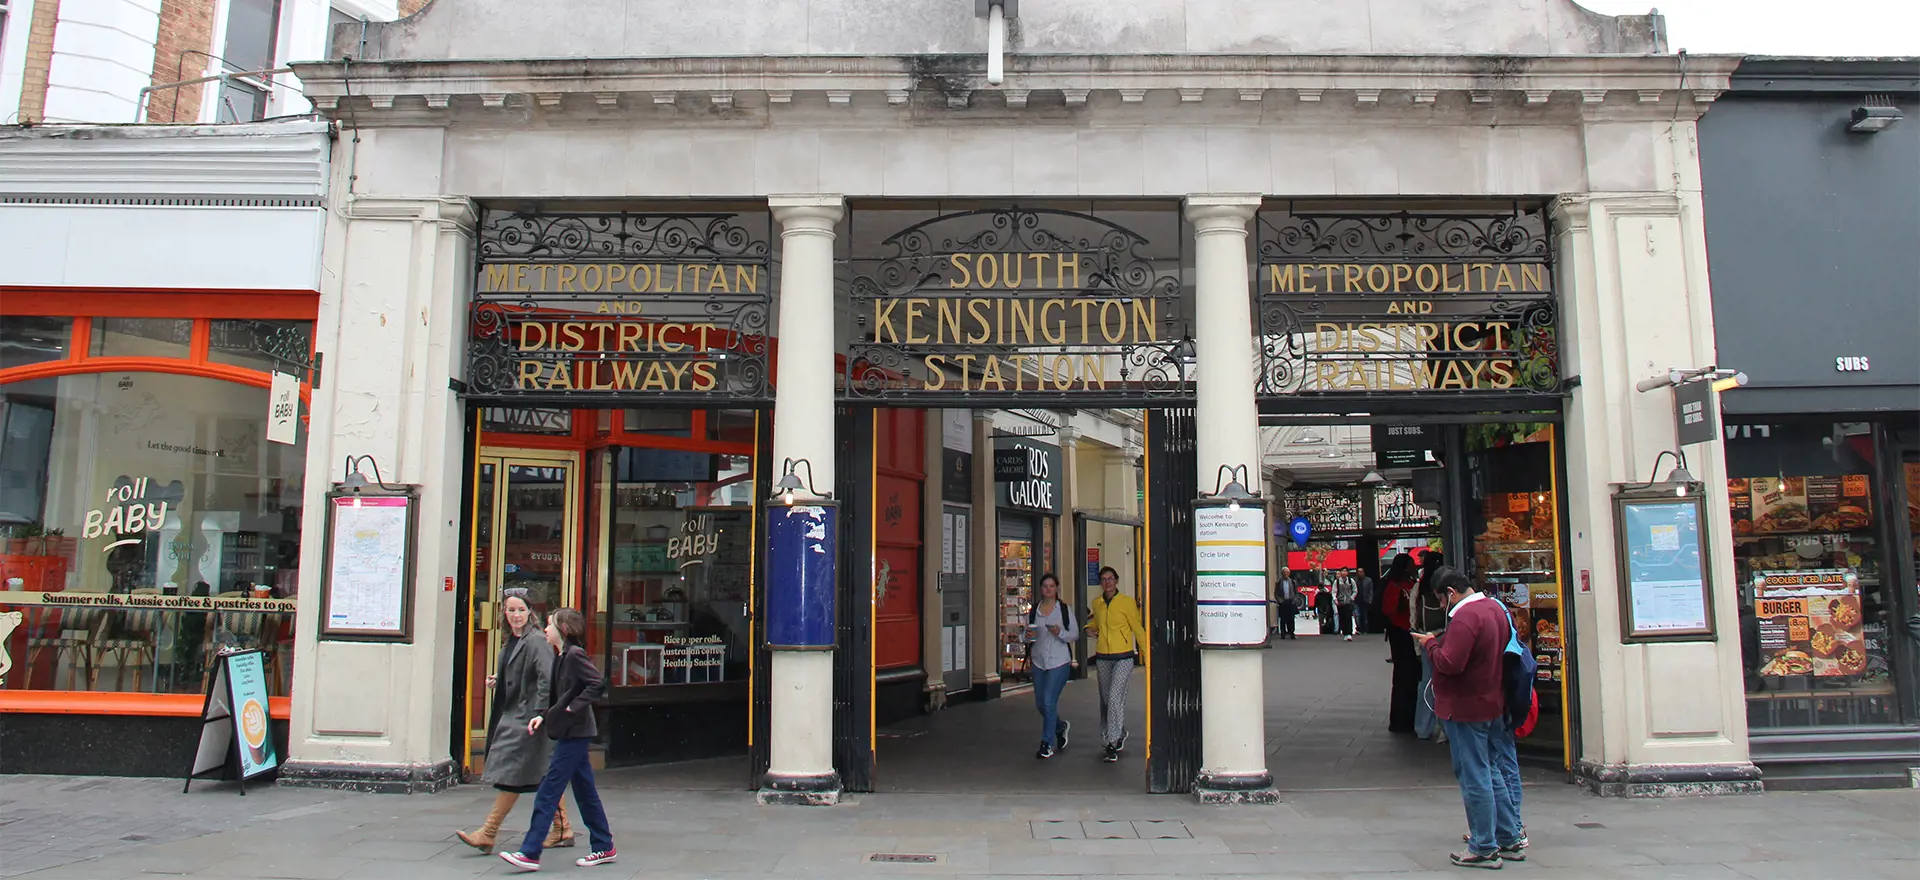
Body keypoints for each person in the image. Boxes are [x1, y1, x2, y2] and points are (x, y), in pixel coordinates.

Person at [1412, 569, 1523, 869]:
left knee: (1474, 775)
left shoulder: (1465, 617)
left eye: (1440, 599)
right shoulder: (1494, 609)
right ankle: (1509, 836)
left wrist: (1430, 645)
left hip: (1465, 706)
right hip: (1491, 702)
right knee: (1493, 771)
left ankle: (1484, 845)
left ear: (1450, 592)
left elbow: (1450, 663)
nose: (1442, 606)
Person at [498, 609, 618, 872]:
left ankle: (530, 852)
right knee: (585, 792)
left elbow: (597, 684)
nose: (545, 629)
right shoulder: (561, 656)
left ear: (563, 629)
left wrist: (572, 708)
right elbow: (556, 695)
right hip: (571, 731)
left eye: (549, 625)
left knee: (549, 790)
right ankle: (604, 846)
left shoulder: (574, 655)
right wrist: (542, 716)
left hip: (575, 732)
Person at [457, 590, 571, 853]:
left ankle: (488, 832)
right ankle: (562, 827)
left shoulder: (536, 641)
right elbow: (522, 671)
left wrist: (540, 713)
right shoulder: (514, 639)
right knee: (539, 773)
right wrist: (500, 678)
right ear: (503, 613)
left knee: (514, 774)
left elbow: (546, 678)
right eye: (511, 610)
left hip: (526, 717)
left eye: (521, 610)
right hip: (516, 713)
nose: (516, 615)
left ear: (530, 611)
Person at [1084, 566, 1143, 763]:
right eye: (1104, 579)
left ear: (1116, 581)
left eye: (1111, 579)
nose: (1107, 582)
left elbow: (1137, 627)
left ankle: (1112, 741)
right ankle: (1119, 731)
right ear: (1100, 583)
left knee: (1115, 696)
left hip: (1124, 656)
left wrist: (1147, 655)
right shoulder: (1098, 603)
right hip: (1103, 656)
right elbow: (1096, 625)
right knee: (1106, 700)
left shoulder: (1127, 603)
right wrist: (1087, 629)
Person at [1026, 573, 1079, 759]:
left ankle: (1046, 743)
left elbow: (1075, 634)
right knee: (1041, 704)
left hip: (1059, 661)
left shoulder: (1064, 610)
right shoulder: (1034, 610)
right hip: (1039, 661)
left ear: (1056, 589)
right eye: (1045, 586)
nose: (1048, 589)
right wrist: (1026, 635)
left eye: (1051, 586)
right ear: (1041, 589)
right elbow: (1028, 636)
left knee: (1049, 701)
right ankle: (1060, 726)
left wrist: (1060, 632)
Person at [1380, 554, 1421, 734]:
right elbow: (1388, 610)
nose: (1414, 567)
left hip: (1411, 633)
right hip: (1401, 634)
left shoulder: (1411, 584)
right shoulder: (1394, 586)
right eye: (1411, 565)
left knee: (1412, 678)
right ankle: (1400, 720)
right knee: (1404, 677)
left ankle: (1411, 717)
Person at [1412, 553, 1451, 742]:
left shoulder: (1419, 586)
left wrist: (1417, 646)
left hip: (1426, 636)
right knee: (1447, 683)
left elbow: (1413, 614)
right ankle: (1446, 728)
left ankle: (1423, 727)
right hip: (1446, 634)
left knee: (1427, 682)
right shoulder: (1448, 585)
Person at [1333, 569, 1359, 641]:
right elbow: (1334, 591)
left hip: (1348, 601)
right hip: (1340, 602)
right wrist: (1335, 599)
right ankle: (1345, 633)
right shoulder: (1337, 581)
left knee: (1348, 617)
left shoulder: (1351, 581)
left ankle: (1349, 633)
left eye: (1345, 571)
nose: (1344, 573)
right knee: (1342, 617)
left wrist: (1351, 597)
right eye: (1342, 571)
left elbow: (1355, 590)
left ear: (1347, 573)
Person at [1272, 567, 1297, 640]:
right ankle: (1283, 633)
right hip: (1283, 602)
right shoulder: (1279, 582)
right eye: (1284, 572)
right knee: (1283, 619)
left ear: (1289, 573)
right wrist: (1280, 600)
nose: (1286, 573)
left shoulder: (1292, 582)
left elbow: (1296, 592)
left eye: (1287, 572)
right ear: (1282, 573)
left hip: (1290, 602)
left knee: (1291, 619)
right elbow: (1276, 593)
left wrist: (1294, 600)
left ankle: (1291, 632)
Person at [1355, 567, 1376, 635]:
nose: (1360, 573)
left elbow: (1370, 590)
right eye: (1358, 572)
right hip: (1356, 600)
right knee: (1357, 615)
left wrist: (1370, 599)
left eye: (1361, 572)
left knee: (1364, 615)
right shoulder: (1355, 580)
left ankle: (1364, 629)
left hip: (1365, 600)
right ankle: (1358, 628)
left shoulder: (1368, 580)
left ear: (1364, 572)